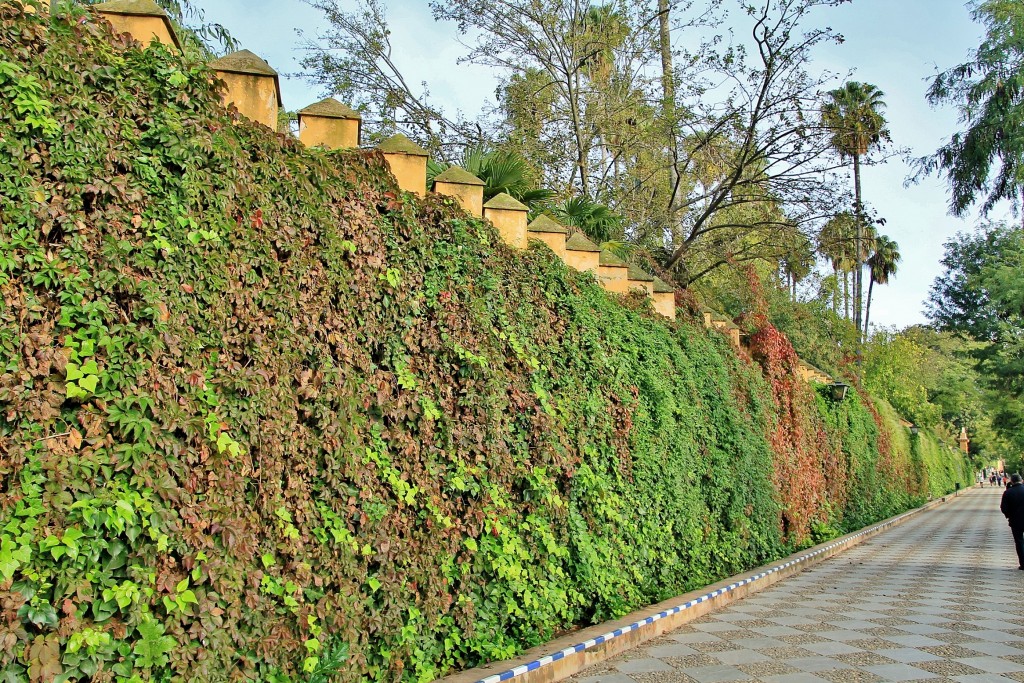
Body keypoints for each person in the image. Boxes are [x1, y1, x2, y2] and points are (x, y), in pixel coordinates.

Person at [1000, 473, 1024, 570]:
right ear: (1021, 480)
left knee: (1019, 542)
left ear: (1012, 481)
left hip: (1015, 521)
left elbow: (1003, 508)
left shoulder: (1008, 492)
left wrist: (1009, 515)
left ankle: (1023, 563)